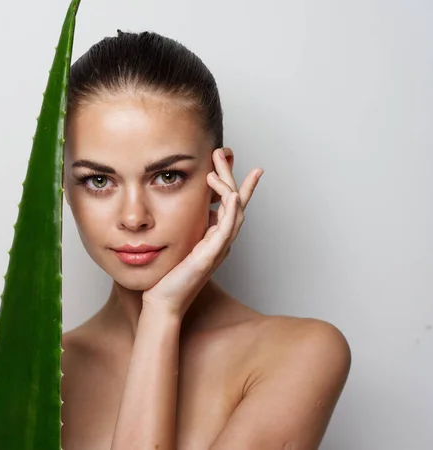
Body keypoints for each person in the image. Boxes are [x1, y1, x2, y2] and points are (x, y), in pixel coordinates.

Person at [60, 30, 351, 450]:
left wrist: (161, 312)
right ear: (64, 187)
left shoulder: (300, 354)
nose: (133, 217)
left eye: (167, 176)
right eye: (98, 180)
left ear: (218, 180)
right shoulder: (34, 372)